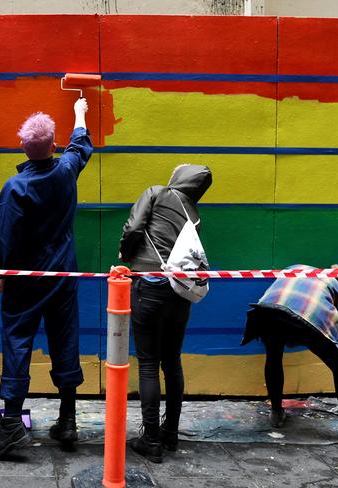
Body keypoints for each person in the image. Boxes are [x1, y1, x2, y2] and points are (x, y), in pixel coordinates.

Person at [0, 98, 92, 459]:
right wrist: (79, 112)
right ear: (54, 145)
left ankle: (12, 423)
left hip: (25, 283)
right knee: (65, 340)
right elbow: (81, 145)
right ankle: (68, 420)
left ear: (22, 148)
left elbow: (4, 238)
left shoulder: (13, 188)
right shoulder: (66, 170)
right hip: (62, 276)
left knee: (17, 343)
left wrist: (2, 274)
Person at [118, 164, 212, 463]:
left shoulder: (156, 193)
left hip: (149, 285)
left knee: (148, 363)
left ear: (178, 177)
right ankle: (170, 433)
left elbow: (134, 228)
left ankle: (151, 440)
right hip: (180, 290)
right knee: (172, 361)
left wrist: (125, 255)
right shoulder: (193, 215)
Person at [242, 264, 338, 428]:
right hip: (305, 317)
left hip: (267, 313)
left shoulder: (297, 267)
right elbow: (334, 325)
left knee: (274, 358)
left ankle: (276, 413)